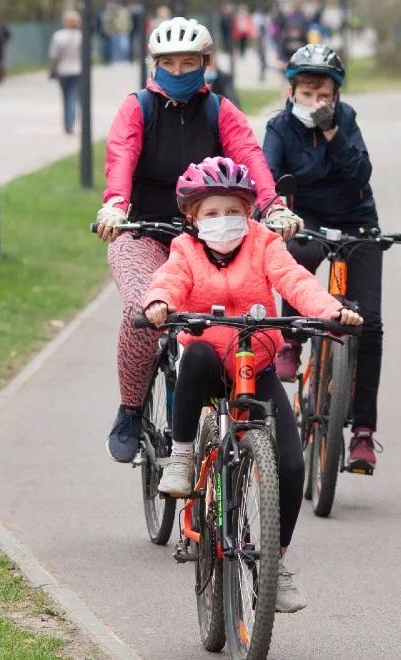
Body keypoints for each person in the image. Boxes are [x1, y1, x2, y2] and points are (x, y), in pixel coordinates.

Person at [143, 156, 363, 612]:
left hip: (255, 364)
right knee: (198, 353)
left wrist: (330, 311)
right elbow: (169, 281)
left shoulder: (263, 244)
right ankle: (182, 458)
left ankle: (273, 565)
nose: (224, 221)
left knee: (292, 465)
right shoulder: (185, 250)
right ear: (193, 218)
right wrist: (160, 302)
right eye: (212, 213)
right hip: (207, 366)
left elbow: (295, 282)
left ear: (249, 212)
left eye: (234, 211)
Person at [95, 17, 305, 463]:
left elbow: (249, 156)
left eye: (188, 61)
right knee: (141, 308)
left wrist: (273, 206)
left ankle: (213, 417)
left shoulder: (220, 110)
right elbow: (121, 156)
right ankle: (131, 408)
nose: (178, 69)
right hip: (144, 234)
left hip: (207, 235)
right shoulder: (138, 108)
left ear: (205, 64)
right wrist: (115, 204)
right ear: (154, 65)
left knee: (226, 315)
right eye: (168, 62)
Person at [263, 44, 385, 473]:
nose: (317, 100)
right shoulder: (279, 127)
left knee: (368, 323)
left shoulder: (345, 120)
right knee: (299, 253)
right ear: (293, 89)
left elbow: (359, 174)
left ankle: (364, 433)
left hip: (356, 219)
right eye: (309, 91)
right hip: (305, 218)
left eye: (325, 93)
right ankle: (292, 340)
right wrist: (278, 213)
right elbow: (268, 178)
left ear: (336, 96)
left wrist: (332, 132)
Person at [48, 10, 83, 135]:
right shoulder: (81, 36)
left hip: (63, 71)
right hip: (78, 70)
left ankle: (68, 123)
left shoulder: (58, 36)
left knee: (66, 97)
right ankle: (69, 123)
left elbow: (53, 55)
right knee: (73, 97)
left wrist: (53, 67)